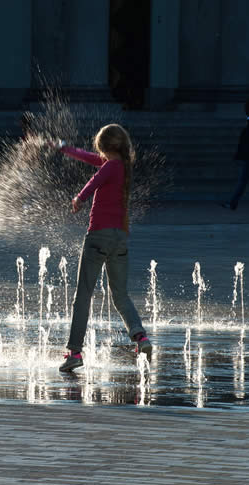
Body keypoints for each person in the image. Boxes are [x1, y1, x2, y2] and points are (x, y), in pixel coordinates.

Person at [51, 124, 151, 373]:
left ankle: (74, 352)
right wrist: (66, 149)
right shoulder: (121, 165)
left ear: (105, 146)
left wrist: (78, 199)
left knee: (82, 296)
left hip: (98, 237)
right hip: (119, 239)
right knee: (120, 295)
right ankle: (140, 337)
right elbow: (92, 160)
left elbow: (94, 181)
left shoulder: (110, 167)